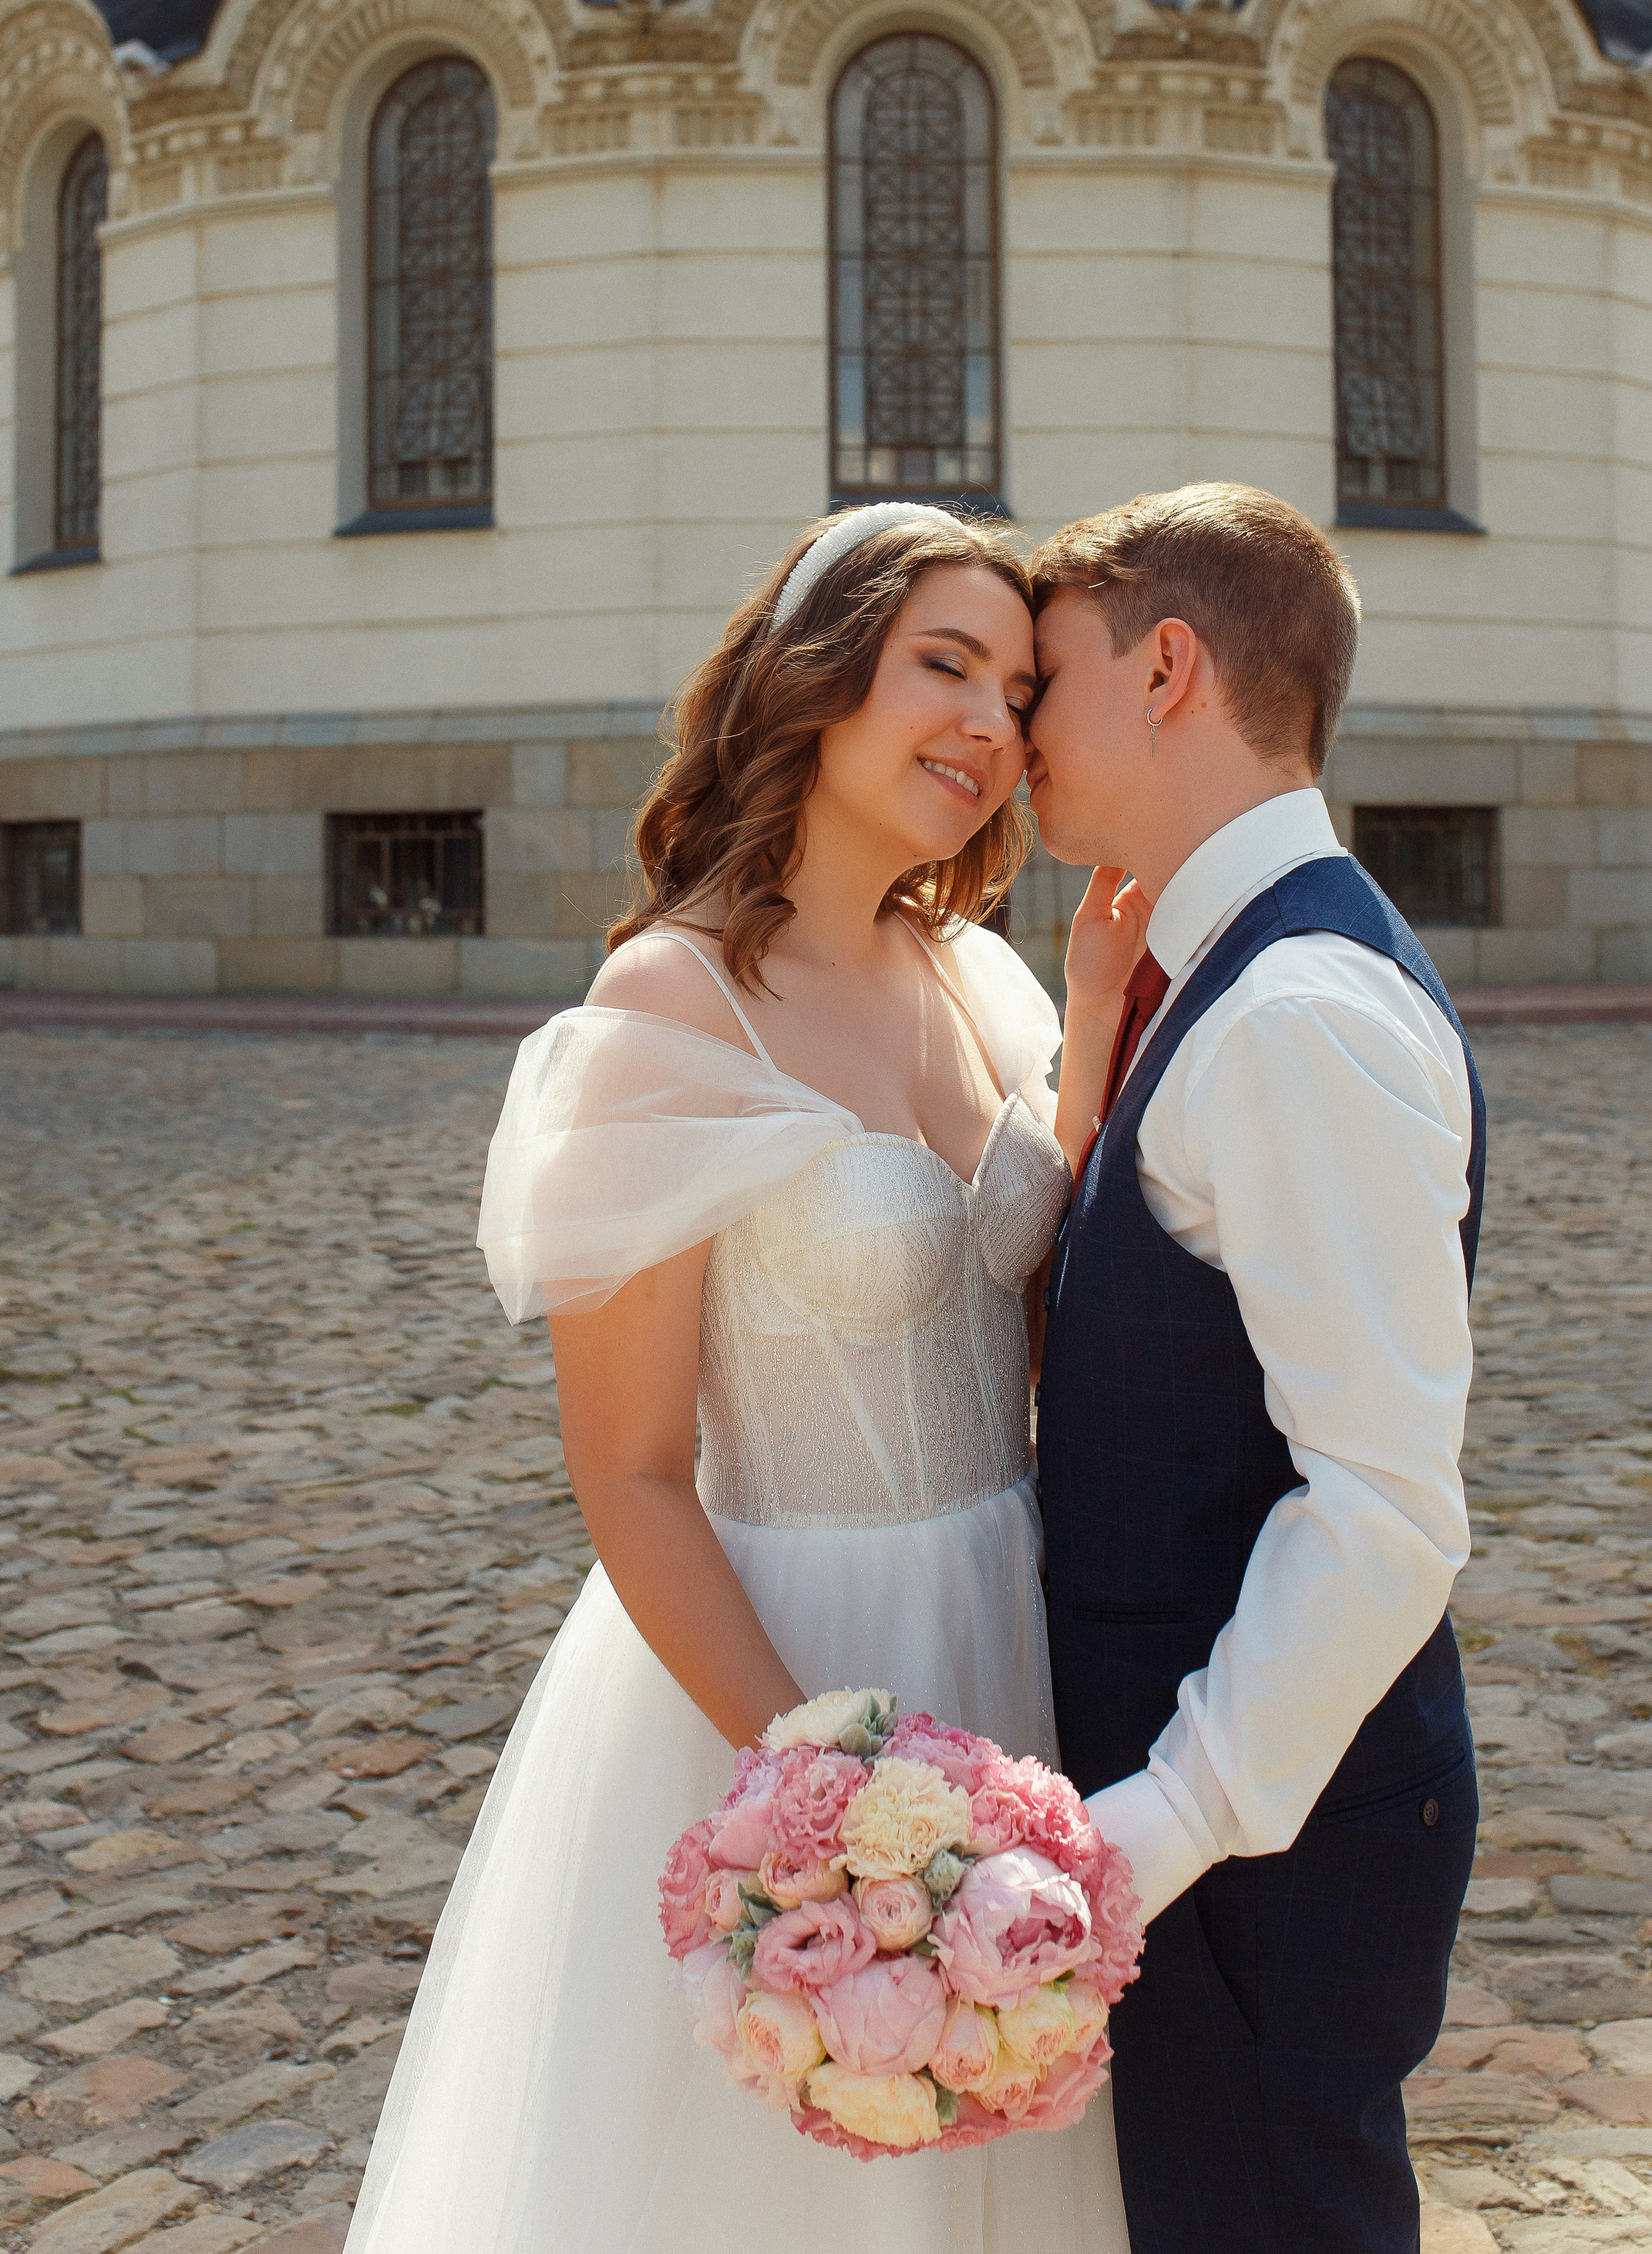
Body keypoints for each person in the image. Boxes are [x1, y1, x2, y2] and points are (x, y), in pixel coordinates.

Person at [346, 501, 1131, 2254]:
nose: (990, 724)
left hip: (1013, 1632)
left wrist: (1083, 1030)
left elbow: (1023, 1293)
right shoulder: (672, 1004)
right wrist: (818, 1784)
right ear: (811, 671)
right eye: (943, 664)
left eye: (1015, 687)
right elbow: (626, 1466)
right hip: (784, 1672)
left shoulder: (982, 974)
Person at [1025, 482, 1483, 2254]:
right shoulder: (1222, 968)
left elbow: (1376, 1505)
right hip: (1224, 1843)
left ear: (1163, 666)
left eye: (1042, 677)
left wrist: (1146, 1833)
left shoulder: (1294, 1009)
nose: (1013, 726)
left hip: (1255, 1863)